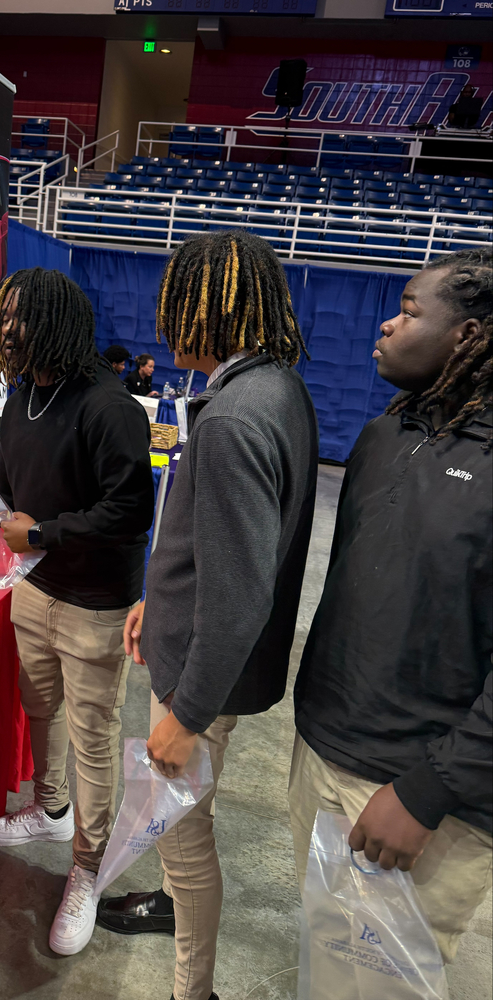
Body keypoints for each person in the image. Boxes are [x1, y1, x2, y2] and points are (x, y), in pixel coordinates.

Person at [98, 230, 319, 1000]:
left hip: (201, 682)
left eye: (175, 296)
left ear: (205, 308)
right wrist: (158, 597)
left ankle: (192, 990)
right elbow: (222, 545)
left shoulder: (231, 417)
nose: (164, 315)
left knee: (184, 840)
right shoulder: (273, 388)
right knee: (183, 832)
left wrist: (185, 713)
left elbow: (239, 594)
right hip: (201, 655)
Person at [0, 267, 155, 956]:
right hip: (33, 588)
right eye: (4, 314)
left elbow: (132, 511)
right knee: (40, 708)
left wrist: (43, 535)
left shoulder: (111, 408)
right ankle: (52, 811)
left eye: (20, 316)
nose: (6, 329)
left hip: (96, 603)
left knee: (93, 734)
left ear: (57, 323)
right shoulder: (24, 397)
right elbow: (0, 482)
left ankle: (87, 867)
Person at [291, 248, 492, 967]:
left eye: (408, 311)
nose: (385, 325)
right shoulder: (384, 435)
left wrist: (430, 789)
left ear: (468, 336)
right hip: (323, 749)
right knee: (327, 959)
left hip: (426, 799)